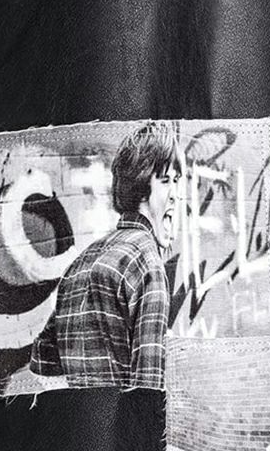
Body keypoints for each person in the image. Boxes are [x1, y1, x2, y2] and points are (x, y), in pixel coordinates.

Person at [29, 121, 180, 389]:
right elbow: (149, 388)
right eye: (166, 181)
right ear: (141, 188)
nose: (175, 196)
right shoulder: (147, 264)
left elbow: (42, 360)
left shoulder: (80, 263)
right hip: (121, 413)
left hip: (79, 412)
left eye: (176, 181)